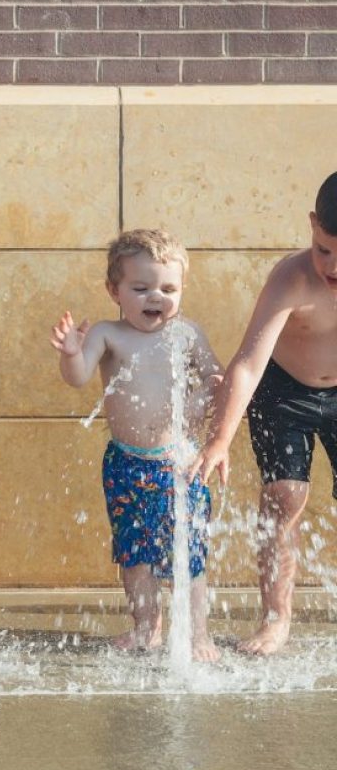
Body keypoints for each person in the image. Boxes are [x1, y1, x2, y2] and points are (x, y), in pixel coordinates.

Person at [51, 229, 221, 662]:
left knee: (190, 554)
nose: (156, 298)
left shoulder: (187, 333)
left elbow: (215, 377)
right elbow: (77, 377)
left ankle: (198, 634)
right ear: (115, 290)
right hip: (127, 463)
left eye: (169, 289)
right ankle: (147, 627)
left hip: (181, 463)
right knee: (135, 555)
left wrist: (209, 396)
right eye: (141, 288)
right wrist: (71, 353)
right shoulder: (109, 334)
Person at [195, 172, 337, 656]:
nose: (332, 265)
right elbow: (248, 363)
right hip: (283, 391)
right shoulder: (292, 278)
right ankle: (276, 619)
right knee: (283, 498)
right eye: (324, 249)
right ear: (312, 226)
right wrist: (219, 439)